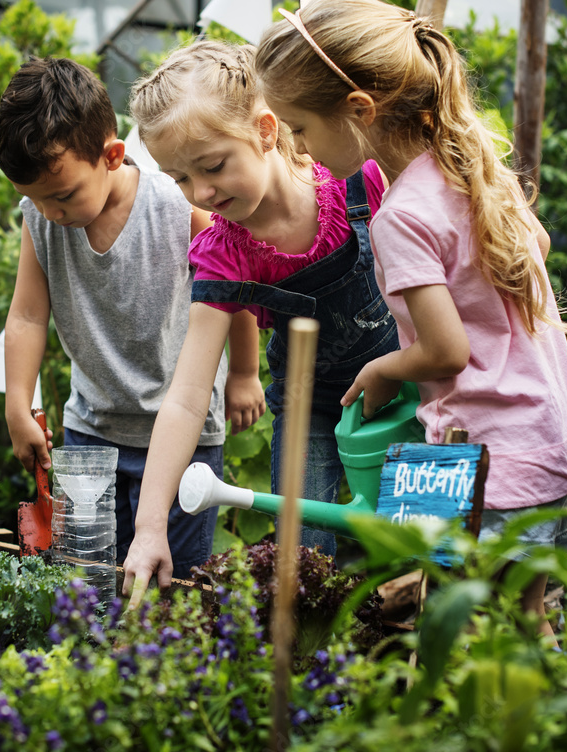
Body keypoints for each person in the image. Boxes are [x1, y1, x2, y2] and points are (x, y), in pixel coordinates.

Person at [254, 0, 567, 636]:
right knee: (531, 626)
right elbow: (538, 246)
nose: (300, 150)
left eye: (299, 128)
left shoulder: (403, 216)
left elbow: (445, 351)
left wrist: (387, 367)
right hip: (558, 441)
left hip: (495, 464)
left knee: (481, 635)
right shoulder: (470, 169)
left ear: (359, 109)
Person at [121, 39, 399, 599]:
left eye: (213, 166)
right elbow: (187, 395)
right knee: (302, 557)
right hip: (311, 406)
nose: (200, 193)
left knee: (417, 544)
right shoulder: (224, 252)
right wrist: (150, 524)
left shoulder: (359, 181)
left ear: (267, 130)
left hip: (411, 387)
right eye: (179, 179)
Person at [0, 57, 263, 580]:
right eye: (33, 198)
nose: (51, 211)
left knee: (175, 588)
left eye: (63, 195)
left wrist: (244, 373)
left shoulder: (178, 209)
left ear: (112, 155)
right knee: (86, 582)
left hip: (185, 437)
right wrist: (16, 404)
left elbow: (234, 288)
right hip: (90, 431)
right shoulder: (42, 219)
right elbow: (27, 316)